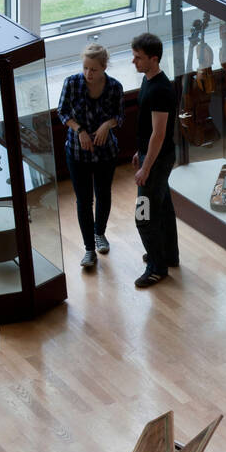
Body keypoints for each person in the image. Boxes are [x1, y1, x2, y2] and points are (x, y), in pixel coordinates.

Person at [57, 44, 125, 270]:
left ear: (104, 67)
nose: (88, 74)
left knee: (103, 194)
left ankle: (100, 233)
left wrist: (108, 124)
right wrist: (79, 131)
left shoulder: (115, 87)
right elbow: (63, 112)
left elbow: (119, 116)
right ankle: (88, 249)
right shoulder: (72, 83)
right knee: (84, 200)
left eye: (94, 69)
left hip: (106, 152)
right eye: (85, 68)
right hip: (77, 152)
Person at [131, 32, 179, 287]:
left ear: (154, 58)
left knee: (144, 216)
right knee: (163, 208)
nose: (133, 61)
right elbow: (149, 130)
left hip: (158, 161)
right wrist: (141, 151)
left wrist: (146, 167)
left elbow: (159, 134)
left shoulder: (160, 89)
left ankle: (157, 268)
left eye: (138, 57)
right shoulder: (148, 80)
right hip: (153, 156)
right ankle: (168, 255)